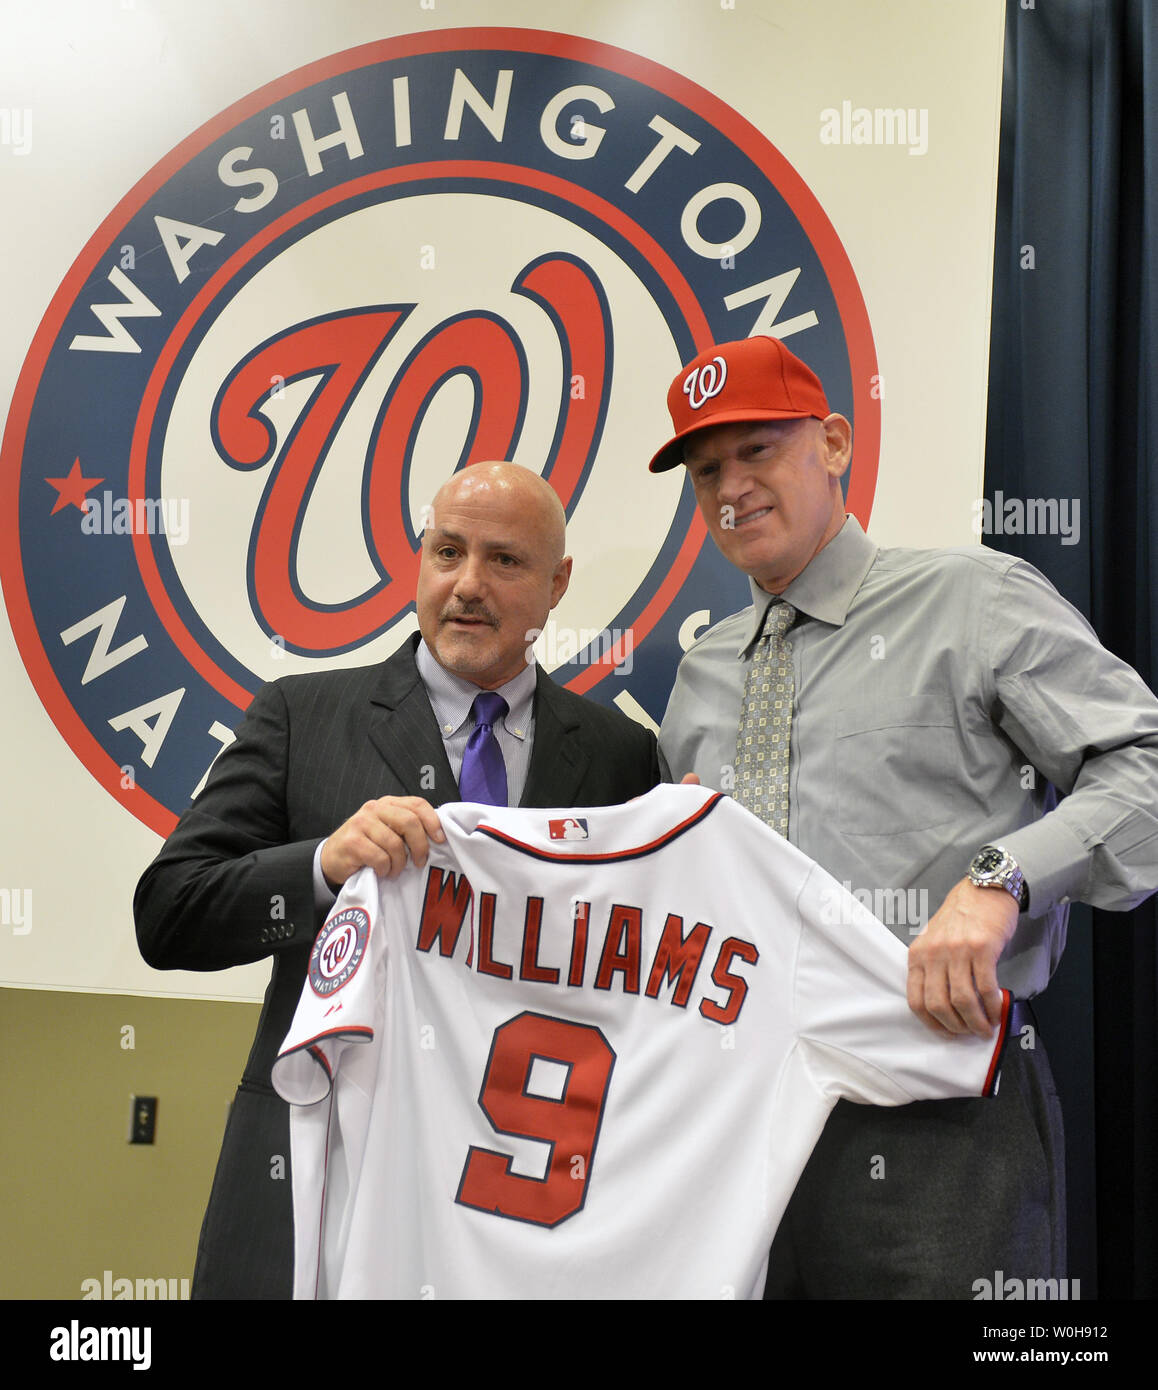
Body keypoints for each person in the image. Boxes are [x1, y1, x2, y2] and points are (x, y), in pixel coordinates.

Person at [651, 335, 1158, 1298]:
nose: (729, 488)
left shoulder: (975, 601)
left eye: (758, 450)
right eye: (706, 469)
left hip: (938, 1112)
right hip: (737, 1120)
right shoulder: (704, 669)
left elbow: (1145, 771)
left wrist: (1000, 879)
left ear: (834, 443)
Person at [134, 461, 660, 1299]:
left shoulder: (620, 756)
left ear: (558, 583)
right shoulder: (302, 716)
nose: (467, 585)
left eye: (505, 561)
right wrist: (318, 867)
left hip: (522, 1206)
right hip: (318, 1172)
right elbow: (168, 913)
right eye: (447, 552)